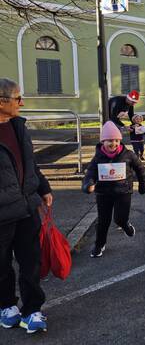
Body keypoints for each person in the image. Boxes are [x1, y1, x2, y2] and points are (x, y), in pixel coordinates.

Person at [0, 78, 53, 334]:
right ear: (2, 102)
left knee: (31, 262)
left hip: (27, 207)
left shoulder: (19, 126)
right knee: (1, 265)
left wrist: (43, 187)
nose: (22, 102)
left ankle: (32, 310)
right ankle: (6, 305)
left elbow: (30, 162)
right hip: (2, 213)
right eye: (17, 98)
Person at [82, 121, 145, 258]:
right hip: (103, 193)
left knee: (119, 218)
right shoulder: (98, 157)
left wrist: (143, 184)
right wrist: (88, 185)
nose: (113, 144)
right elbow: (90, 173)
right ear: (103, 142)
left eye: (117, 140)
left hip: (123, 192)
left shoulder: (128, 154)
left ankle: (125, 225)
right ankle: (99, 244)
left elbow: (140, 169)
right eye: (109, 141)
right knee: (103, 221)